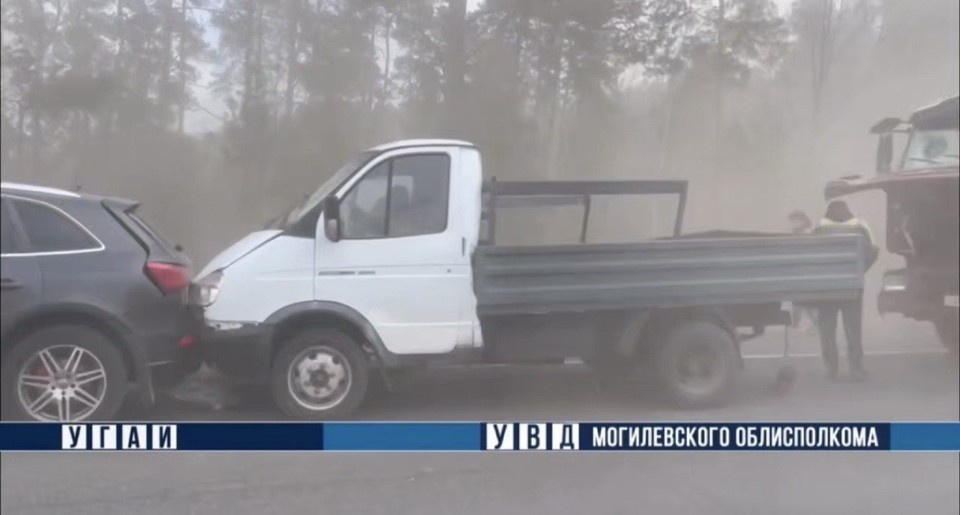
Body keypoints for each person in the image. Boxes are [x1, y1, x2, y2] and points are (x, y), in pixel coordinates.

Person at [813, 201, 879, 381]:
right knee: (853, 330)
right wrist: (859, 271)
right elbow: (874, 251)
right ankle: (856, 368)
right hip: (852, 287)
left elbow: (810, 252)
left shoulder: (819, 226)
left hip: (826, 288)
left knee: (827, 330)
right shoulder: (860, 224)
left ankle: (831, 369)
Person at [788, 210, 817, 330]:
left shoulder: (808, 232)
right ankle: (797, 323)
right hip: (799, 270)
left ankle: (799, 324)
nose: (793, 223)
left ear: (802, 220)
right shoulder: (797, 232)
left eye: (794, 220)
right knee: (800, 300)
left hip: (806, 270)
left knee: (802, 300)